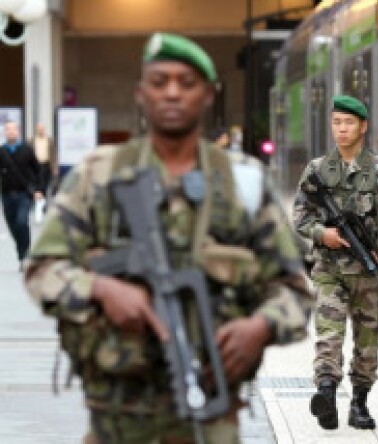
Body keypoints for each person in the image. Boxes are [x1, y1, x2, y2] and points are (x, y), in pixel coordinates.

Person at [24, 32, 312, 444]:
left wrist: (261, 327)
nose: (173, 93)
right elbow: (41, 269)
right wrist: (100, 288)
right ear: (140, 94)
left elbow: (295, 290)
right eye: (160, 83)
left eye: (186, 82)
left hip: (211, 417)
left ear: (209, 94)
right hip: (119, 420)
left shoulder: (242, 183)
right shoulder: (98, 175)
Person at [293, 94, 378, 430]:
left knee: (367, 343)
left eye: (348, 123)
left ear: (363, 127)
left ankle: (359, 403)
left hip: (368, 273)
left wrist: (377, 250)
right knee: (329, 334)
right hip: (330, 270)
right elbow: (300, 214)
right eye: (336, 122)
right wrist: (320, 234)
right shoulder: (317, 170)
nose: (341, 129)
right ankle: (326, 394)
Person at [0, 121, 44, 270]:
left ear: (18, 132)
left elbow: (38, 171)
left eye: (13, 129)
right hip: (6, 195)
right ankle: (22, 253)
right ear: (4, 133)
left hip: (24, 194)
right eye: (8, 130)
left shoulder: (27, 150)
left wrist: (39, 189)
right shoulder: (2, 151)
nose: (11, 132)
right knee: (13, 227)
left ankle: (25, 255)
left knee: (21, 222)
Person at [31, 123, 59, 195]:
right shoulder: (31, 141)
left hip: (46, 165)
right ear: (36, 130)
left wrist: (55, 168)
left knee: (45, 185)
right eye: (39, 129)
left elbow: (53, 155)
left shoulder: (49, 141)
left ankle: (43, 200)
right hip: (36, 166)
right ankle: (39, 200)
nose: (41, 131)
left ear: (44, 130)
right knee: (37, 185)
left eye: (42, 129)